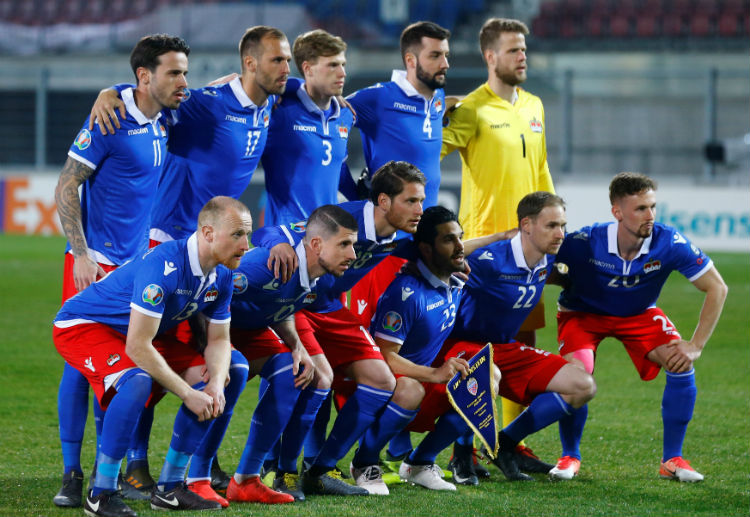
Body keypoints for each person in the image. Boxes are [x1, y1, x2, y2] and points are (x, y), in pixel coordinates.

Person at [86, 25, 292, 494]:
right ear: (251, 63)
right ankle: (131, 461)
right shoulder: (208, 103)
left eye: (289, 62)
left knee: (212, 354)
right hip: (168, 245)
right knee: (148, 354)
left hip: (213, 253)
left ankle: (198, 461)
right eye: (279, 61)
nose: (287, 70)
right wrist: (113, 90)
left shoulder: (272, 104)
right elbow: (152, 93)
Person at [52, 33, 189, 508]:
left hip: (135, 263)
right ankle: (71, 474)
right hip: (95, 260)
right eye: (174, 72)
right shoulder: (107, 120)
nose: (183, 81)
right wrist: (82, 252)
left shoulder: (164, 114)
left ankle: (114, 468)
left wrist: (112, 85)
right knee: (80, 364)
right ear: (145, 76)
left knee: (130, 362)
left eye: (184, 71)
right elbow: (68, 184)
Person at [52, 196, 253, 516]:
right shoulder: (165, 265)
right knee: (136, 382)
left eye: (248, 234)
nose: (246, 244)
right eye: (238, 235)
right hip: (86, 326)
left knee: (235, 367)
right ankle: (101, 492)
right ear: (209, 233)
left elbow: (218, 339)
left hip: (138, 334)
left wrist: (214, 382)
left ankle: (170, 488)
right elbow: (137, 346)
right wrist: (188, 393)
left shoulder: (223, 273)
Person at [549, 172, 727, 482]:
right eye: (640, 209)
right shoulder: (584, 242)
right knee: (576, 376)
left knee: (680, 363)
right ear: (617, 212)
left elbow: (717, 288)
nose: (650, 216)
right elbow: (540, 263)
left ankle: (672, 459)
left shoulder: (668, 242)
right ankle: (569, 457)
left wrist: (695, 345)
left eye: (652, 206)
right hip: (582, 315)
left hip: (638, 315)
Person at [441, 17, 555, 472]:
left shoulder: (534, 105)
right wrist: (435, 115)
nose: (522, 56)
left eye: (524, 48)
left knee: (521, 340)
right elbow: (434, 152)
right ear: (490, 57)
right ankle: (461, 448)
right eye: (513, 49)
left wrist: (553, 226)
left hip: (530, 250)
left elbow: (542, 174)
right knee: (473, 347)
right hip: (484, 251)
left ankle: (508, 443)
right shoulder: (471, 108)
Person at [186, 204, 357, 505]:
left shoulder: (318, 276)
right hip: (208, 329)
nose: (353, 254)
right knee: (231, 371)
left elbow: (281, 306)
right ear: (316, 244)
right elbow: (207, 289)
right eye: (344, 244)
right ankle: (195, 478)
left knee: (293, 372)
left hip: (249, 331)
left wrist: (296, 345)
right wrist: (211, 348)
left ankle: (247, 479)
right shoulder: (267, 265)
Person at [441, 192, 595, 484]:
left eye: (562, 225)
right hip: (459, 346)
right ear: (526, 224)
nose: (560, 233)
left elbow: (551, 273)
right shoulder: (490, 260)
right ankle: (462, 454)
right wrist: (494, 237)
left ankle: (506, 444)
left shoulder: (547, 259)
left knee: (582, 385)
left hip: (502, 347)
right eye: (551, 226)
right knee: (482, 372)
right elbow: (444, 255)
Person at [360, 205, 474, 492]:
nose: (460, 246)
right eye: (449, 240)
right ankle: (363, 462)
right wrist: (435, 373)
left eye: (460, 237)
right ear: (425, 249)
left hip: (417, 382)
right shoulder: (407, 293)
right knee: (411, 389)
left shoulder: (455, 283)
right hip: (380, 386)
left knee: (485, 378)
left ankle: (420, 462)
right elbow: (385, 357)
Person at [346, 20, 451, 328]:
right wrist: (354, 191)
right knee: (375, 333)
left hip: (423, 241)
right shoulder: (378, 98)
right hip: (386, 242)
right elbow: (328, 123)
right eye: (435, 56)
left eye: (446, 55)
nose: (445, 63)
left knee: (413, 335)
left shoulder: (438, 99)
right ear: (410, 60)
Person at [261, 29, 357, 227]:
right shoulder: (280, 111)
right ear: (308, 69)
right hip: (286, 241)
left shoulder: (345, 115)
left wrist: (364, 198)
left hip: (328, 239)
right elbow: (254, 88)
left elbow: (337, 168)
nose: (342, 73)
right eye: (332, 65)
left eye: (343, 65)